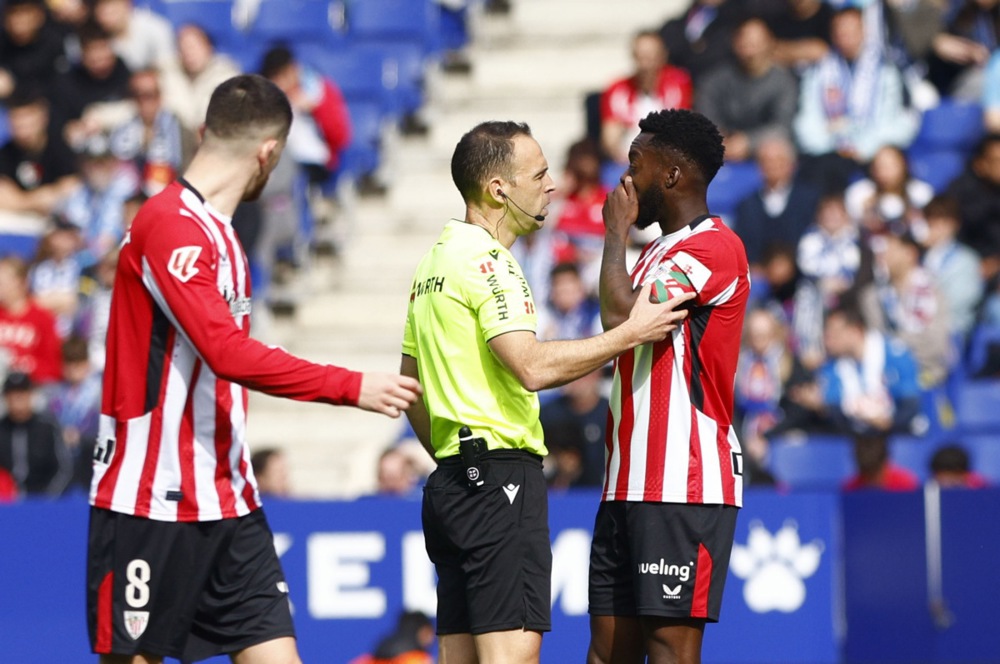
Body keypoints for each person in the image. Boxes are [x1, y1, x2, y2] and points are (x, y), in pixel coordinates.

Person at [85, 74, 421, 663]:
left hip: (230, 497)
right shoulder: (171, 226)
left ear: (202, 131)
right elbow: (227, 353)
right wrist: (352, 386)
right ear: (269, 152)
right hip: (151, 499)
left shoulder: (222, 234)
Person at [399, 120, 692, 664]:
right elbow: (530, 367)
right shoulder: (491, 264)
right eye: (538, 174)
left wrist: (454, 454)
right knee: (512, 655)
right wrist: (627, 335)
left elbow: (411, 388)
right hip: (498, 480)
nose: (552, 185)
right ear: (498, 190)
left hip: (451, 483)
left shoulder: (432, 265)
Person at [590, 108, 750, 664]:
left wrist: (613, 233)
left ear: (673, 175)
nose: (626, 177)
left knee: (669, 651)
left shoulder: (714, 249)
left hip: (682, 480)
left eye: (636, 161)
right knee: (607, 654)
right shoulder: (659, 250)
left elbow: (621, 320)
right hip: (625, 482)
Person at [793, 6, 919, 192]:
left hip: (873, 151)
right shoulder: (819, 70)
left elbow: (903, 119)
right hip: (829, 152)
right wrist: (833, 145)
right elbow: (807, 119)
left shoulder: (886, 69)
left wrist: (864, 147)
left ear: (864, 31)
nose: (845, 36)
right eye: (840, 31)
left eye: (851, 30)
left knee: (887, 165)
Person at [695, 17, 799, 162]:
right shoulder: (715, 79)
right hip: (721, 148)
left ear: (770, 42)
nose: (750, 48)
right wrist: (721, 140)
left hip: (764, 153)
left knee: (776, 148)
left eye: (756, 42)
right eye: (745, 40)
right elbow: (705, 116)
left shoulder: (784, 81)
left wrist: (748, 142)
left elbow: (782, 126)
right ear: (735, 43)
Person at [600, 30, 692, 167]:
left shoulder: (678, 84)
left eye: (650, 57)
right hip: (628, 162)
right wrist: (619, 152)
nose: (645, 64)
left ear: (662, 56)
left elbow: (681, 132)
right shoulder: (618, 90)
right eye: (640, 57)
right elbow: (610, 138)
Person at [734, 132, 821, 270]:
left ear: (792, 165)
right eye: (766, 161)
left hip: (801, 275)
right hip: (758, 276)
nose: (772, 166)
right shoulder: (746, 204)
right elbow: (744, 245)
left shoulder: (810, 199)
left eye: (779, 160)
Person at [0, 370, 73, 496]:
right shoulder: (2, 429)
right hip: (6, 503)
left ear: (30, 395)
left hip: (43, 501)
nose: (17, 399)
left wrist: (47, 499)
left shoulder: (47, 427)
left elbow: (64, 469)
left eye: (22, 393)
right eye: (12, 394)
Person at [0, 255, 63, 384]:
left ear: (22, 282)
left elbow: (53, 367)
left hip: (29, 389)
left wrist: (20, 365)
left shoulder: (42, 318)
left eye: (3, 281)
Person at [842, 432, 919, 492]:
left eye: (869, 445)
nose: (865, 452)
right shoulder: (850, 488)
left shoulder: (906, 485)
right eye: (860, 446)